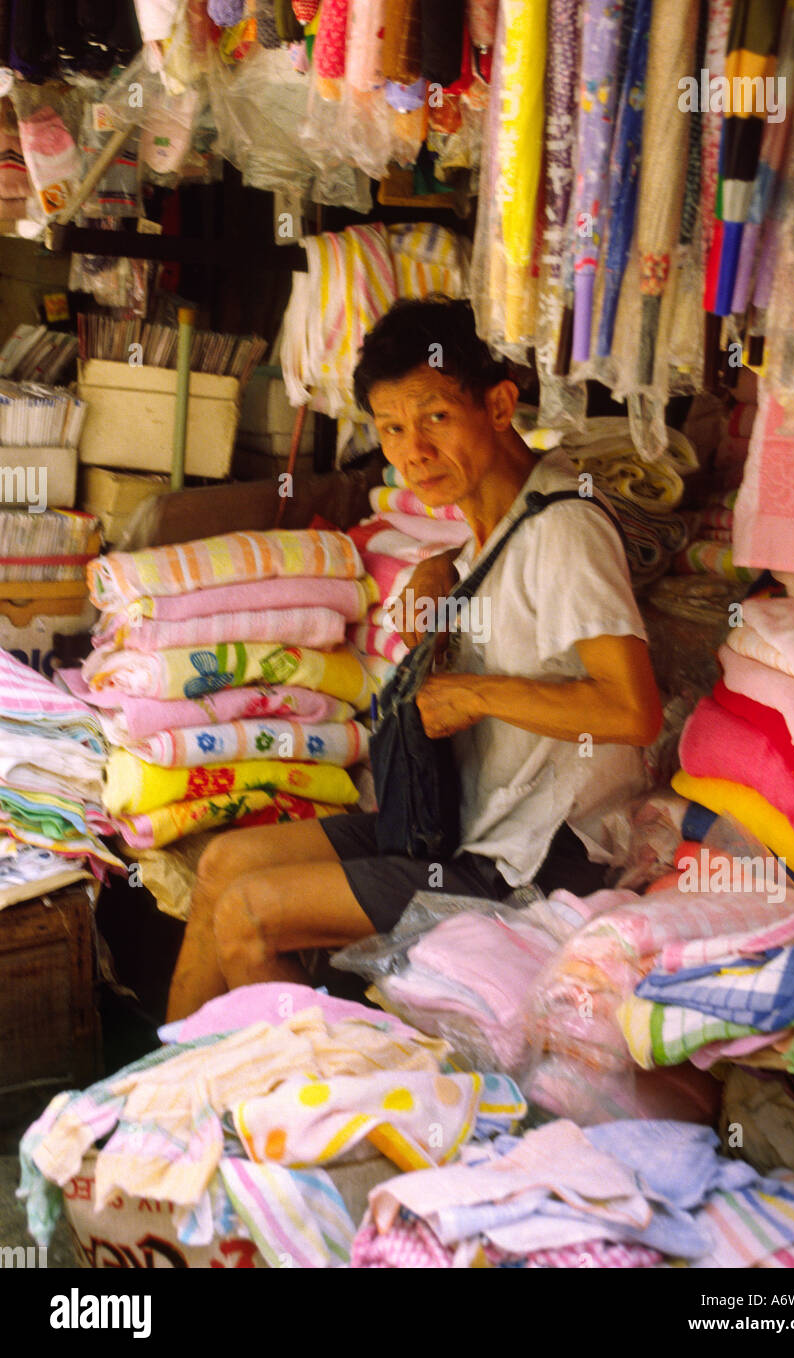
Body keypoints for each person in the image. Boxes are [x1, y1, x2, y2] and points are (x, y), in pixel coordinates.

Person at [166, 297, 662, 1019]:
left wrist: (475, 694)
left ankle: (310, 1114)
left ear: (498, 405)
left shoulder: (566, 529)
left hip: (528, 862)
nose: (411, 451)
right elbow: (509, 581)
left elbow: (633, 710)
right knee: (220, 866)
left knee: (250, 914)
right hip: (460, 824)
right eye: (391, 428)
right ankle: (160, 1098)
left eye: (434, 418)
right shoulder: (496, 526)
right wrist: (446, 564)